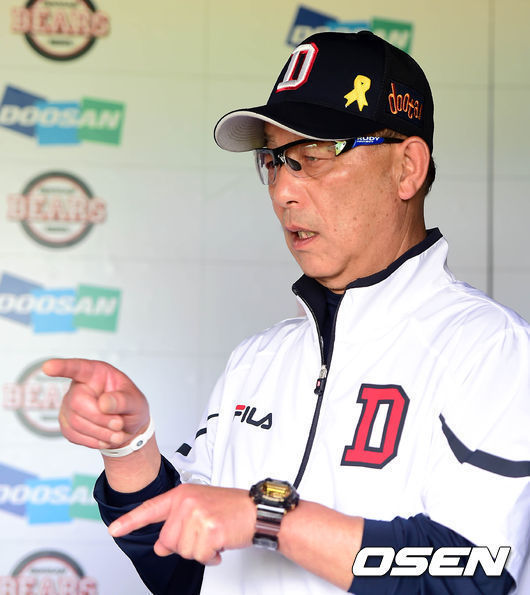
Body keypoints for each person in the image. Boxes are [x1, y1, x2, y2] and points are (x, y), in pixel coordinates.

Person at [43, 31, 530, 595]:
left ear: (407, 168)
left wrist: (270, 519)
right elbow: (187, 574)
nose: (282, 192)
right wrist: (128, 448)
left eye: (313, 156)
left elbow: (477, 573)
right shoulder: (258, 360)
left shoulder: (492, 349)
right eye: (273, 161)